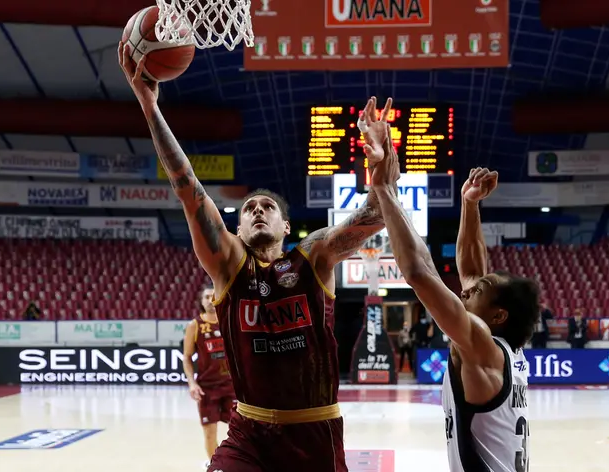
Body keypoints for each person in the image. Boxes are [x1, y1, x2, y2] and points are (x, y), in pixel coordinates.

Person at [120, 43, 395, 472]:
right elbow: (186, 185)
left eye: (268, 207)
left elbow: (376, 216)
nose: (257, 210)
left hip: (314, 432)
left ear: (287, 227)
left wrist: (382, 171)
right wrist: (149, 105)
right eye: (249, 209)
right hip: (248, 433)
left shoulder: (314, 257)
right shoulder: (229, 265)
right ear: (237, 229)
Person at [369, 132, 540, 472]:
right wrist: (469, 204)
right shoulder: (508, 352)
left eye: (477, 292)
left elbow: (419, 274)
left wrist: (385, 190)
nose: (465, 290)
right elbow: (474, 271)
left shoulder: (482, 347)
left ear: (498, 315)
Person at [182, 287, 237, 467]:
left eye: (214, 296)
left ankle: (237, 463)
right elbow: (187, 357)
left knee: (239, 429)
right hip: (207, 387)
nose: (210, 299)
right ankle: (216, 465)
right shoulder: (195, 325)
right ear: (201, 300)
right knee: (209, 433)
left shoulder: (229, 319)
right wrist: (192, 383)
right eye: (206, 296)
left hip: (232, 385)